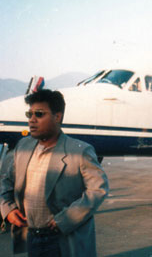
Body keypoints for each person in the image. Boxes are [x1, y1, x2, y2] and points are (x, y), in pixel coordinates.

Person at [0, 89, 109, 256]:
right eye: (29, 114)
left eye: (39, 114)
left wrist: (66, 219)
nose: (32, 120)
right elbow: (7, 181)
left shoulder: (79, 151)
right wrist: (8, 209)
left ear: (57, 117)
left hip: (63, 238)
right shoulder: (23, 146)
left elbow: (98, 190)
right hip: (31, 235)